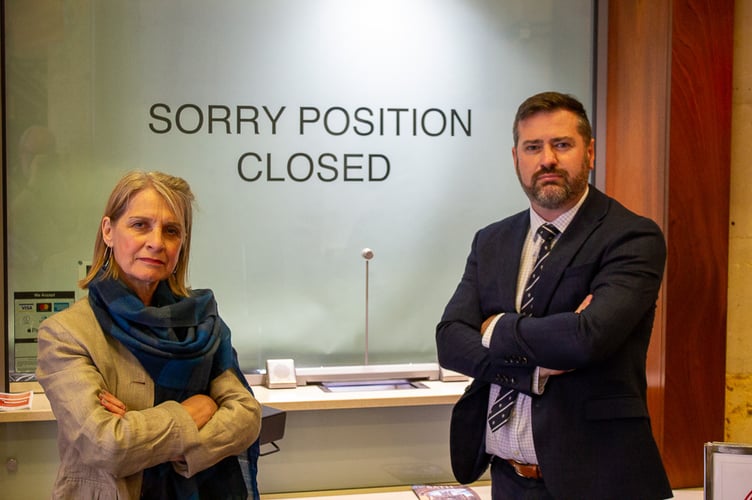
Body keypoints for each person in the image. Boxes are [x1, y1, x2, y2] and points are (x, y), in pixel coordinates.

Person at [436, 92, 672, 499]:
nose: (547, 159)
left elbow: (585, 339)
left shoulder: (631, 236)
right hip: (508, 481)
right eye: (533, 147)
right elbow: (450, 341)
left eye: (562, 145)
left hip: (600, 483)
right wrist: (534, 369)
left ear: (590, 152)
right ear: (516, 158)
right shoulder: (492, 240)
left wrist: (494, 327)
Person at [36, 171, 262, 499]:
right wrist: (192, 410)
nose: (157, 242)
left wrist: (144, 431)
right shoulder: (66, 334)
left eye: (171, 230)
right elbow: (108, 445)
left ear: (182, 244)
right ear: (109, 231)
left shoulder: (203, 323)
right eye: (140, 225)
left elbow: (246, 417)